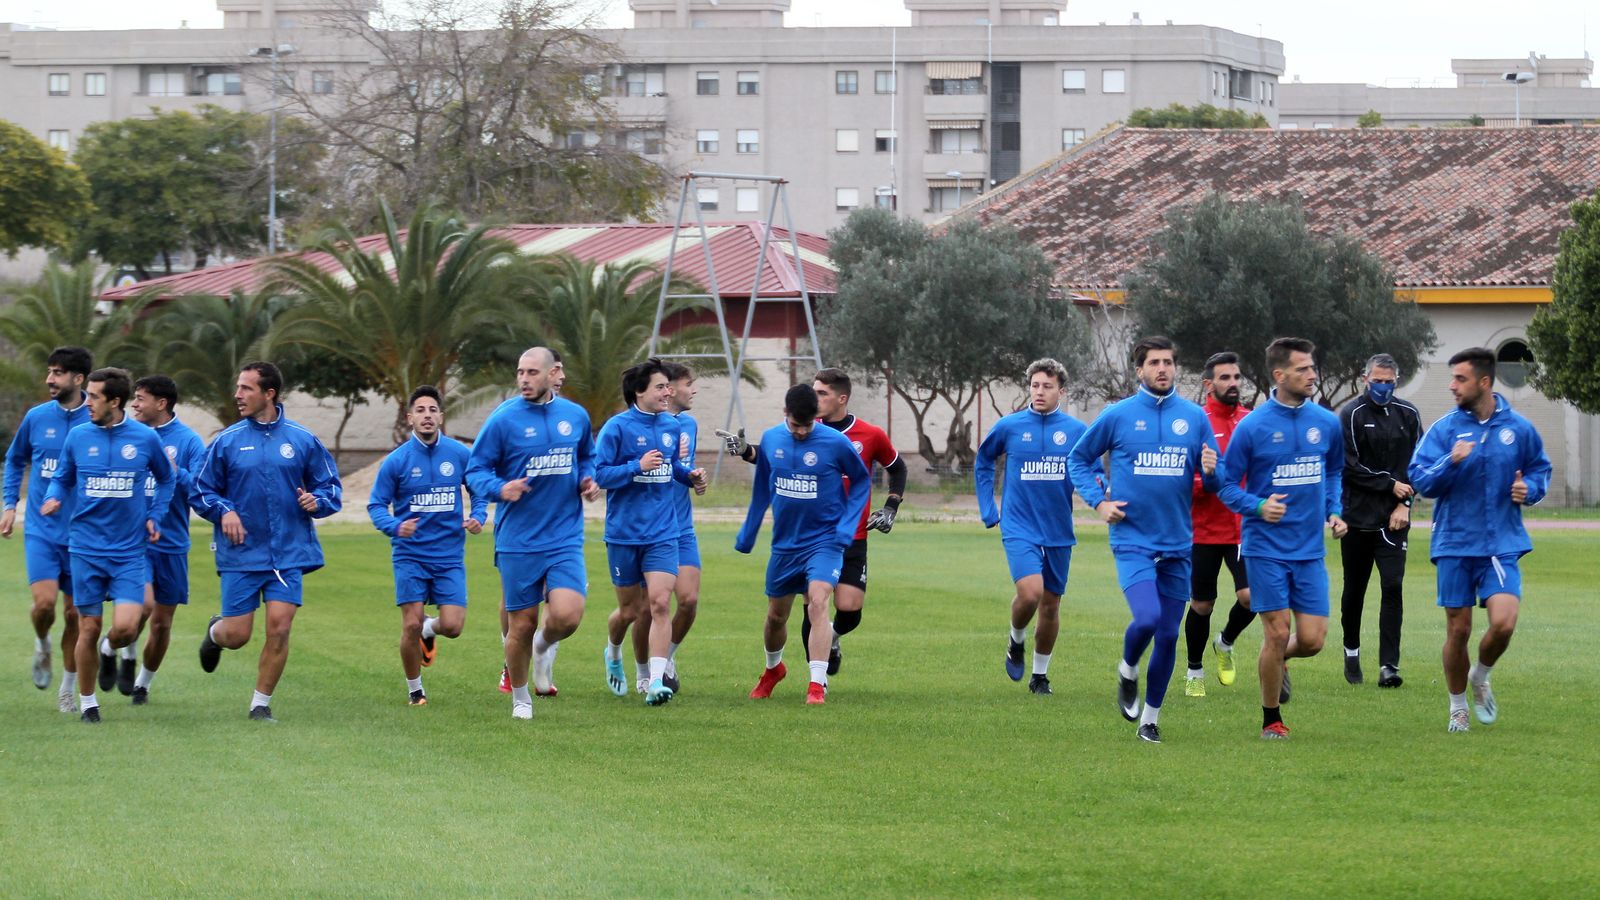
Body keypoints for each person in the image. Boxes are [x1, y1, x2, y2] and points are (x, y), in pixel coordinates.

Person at [1068, 336, 1219, 743]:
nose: (1163, 369)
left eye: (1169, 362)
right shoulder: (1117, 415)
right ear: (1140, 370)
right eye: (1154, 362)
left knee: (1169, 634)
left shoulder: (1194, 417)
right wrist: (1099, 503)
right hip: (1132, 538)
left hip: (1178, 543)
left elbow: (1216, 479)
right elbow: (1078, 459)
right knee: (1148, 618)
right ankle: (1128, 667)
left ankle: (1150, 719)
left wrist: (1213, 469)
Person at [719, 367, 907, 676]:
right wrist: (746, 451)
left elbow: (897, 469)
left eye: (822, 393)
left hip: (854, 534)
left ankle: (831, 637)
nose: (816, 397)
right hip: (814, 536)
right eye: (814, 391)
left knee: (849, 609)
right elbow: (776, 457)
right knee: (816, 602)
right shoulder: (805, 426)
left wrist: (891, 506)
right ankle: (818, 678)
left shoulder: (869, 435)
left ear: (841, 398)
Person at [1408, 347, 1551, 734]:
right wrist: (1449, 461)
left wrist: (1530, 489)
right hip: (1454, 543)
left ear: (1484, 382)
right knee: (1458, 631)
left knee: (1504, 623)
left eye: (1460, 379)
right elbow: (1420, 481)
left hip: (1501, 543)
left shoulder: (1519, 428)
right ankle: (1457, 707)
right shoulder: (1444, 430)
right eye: (1452, 378)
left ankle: (1480, 675)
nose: (1452, 386)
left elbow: (1540, 470)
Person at [194, 362, 343, 722]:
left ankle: (260, 703)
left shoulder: (302, 439)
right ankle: (216, 633)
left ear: (269, 394)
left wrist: (317, 501)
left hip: (288, 552)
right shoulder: (226, 442)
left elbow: (331, 488)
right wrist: (224, 511)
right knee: (237, 635)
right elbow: (200, 490)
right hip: (241, 553)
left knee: (280, 625)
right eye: (238, 388)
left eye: (246, 388)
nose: (237, 395)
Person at [1217, 337, 1347, 740]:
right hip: (1265, 548)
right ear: (1280, 375)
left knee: (1311, 641)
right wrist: (1258, 507)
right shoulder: (1253, 427)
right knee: (1275, 631)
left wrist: (1334, 509)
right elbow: (1224, 483)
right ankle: (1271, 719)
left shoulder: (1326, 422)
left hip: (1309, 550)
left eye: (1313, 367)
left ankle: (1279, 659)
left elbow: (1334, 471)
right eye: (1303, 369)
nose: (1312, 375)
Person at [466, 347, 599, 721]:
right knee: (521, 624)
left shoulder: (575, 416)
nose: (523, 379)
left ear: (552, 372)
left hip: (564, 535)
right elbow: (475, 471)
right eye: (520, 372)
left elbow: (587, 456)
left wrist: (589, 480)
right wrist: (499, 489)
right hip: (518, 540)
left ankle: (543, 648)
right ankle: (521, 698)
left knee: (568, 616)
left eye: (531, 372)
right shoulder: (503, 420)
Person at [38, 367, 174, 723]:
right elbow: (61, 478)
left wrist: (156, 515)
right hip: (84, 549)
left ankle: (110, 649)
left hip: (129, 551)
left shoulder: (145, 439)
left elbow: (166, 479)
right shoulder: (78, 437)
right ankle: (88, 703)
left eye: (95, 397)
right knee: (88, 626)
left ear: (115, 401)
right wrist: (52, 497)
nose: (88, 403)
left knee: (127, 626)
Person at [735, 384, 870, 705]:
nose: (801, 432)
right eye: (796, 425)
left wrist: (846, 527)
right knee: (776, 617)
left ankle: (816, 683)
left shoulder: (835, 442)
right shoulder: (771, 439)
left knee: (819, 602)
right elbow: (762, 489)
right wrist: (749, 532)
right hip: (785, 545)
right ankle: (773, 669)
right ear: (785, 415)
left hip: (825, 542)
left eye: (807, 426)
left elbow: (863, 480)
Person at [367, 386, 487, 706]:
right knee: (410, 622)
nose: (427, 416)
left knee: (453, 625)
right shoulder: (396, 461)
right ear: (410, 418)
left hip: (449, 555)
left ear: (441, 417)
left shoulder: (460, 454)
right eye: (420, 410)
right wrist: (395, 526)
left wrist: (478, 516)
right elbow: (376, 505)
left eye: (433, 410)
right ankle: (415, 689)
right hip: (410, 555)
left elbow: (479, 489)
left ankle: (429, 632)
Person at [595, 359, 706, 706]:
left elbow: (672, 467)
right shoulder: (616, 428)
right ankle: (613, 651)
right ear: (639, 391)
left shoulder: (672, 427)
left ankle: (656, 681)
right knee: (629, 612)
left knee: (659, 603)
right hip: (624, 535)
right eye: (660, 387)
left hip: (663, 532)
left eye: (668, 387)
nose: (667, 392)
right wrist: (635, 467)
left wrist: (689, 477)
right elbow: (600, 475)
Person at [974, 358, 1086, 696]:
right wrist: (987, 507)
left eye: (1047, 386)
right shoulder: (1009, 427)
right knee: (1031, 593)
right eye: (1035, 385)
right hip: (1018, 525)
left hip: (1058, 531)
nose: (1039, 391)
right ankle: (1016, 638)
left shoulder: (1078, 432)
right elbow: (983, 461)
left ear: (1061, 392)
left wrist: (1101, 491)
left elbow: (1093, 468)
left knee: (1051, 605)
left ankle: (1040, 676)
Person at [3, 345, 92, 711]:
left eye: (57, 373)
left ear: (78, 378)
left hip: (84, 535)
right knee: (44, 606)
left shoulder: (98, 419)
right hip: (41, 529)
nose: (49, 379)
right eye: (49, 372)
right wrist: (10, 505)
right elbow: (14, 459)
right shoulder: (37, 417)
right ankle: (42, 644)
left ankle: (68, 690)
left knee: (75, 615)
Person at [1338, 353, 1423, 688]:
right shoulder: (1351, 415)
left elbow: (1419, 465)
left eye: (1389, 382)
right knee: (1355, 590)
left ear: (1396, 381)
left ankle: (1389, 665)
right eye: (1378, 381)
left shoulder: (1409, 414)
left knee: (1392, 585)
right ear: (1365, 378)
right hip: (1357, 517)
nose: (1383, 387)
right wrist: (1390, 484)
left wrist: (1405, 503)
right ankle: (1351, 650)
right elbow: (1350, 468)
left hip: (1394, 520)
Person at [126, 374, 207, 705]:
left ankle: (142, 684)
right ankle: (117, 649)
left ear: (161, 403)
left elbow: (202, 491)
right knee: (140, 610)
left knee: (161, 625)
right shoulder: (127, 437)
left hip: (172, 544)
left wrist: (176, 471)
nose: (134, 404)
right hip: (134, 543)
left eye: (140, 398)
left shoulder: (189, 442)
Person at [1183, 351, 1255, 697]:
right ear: (1208, 384)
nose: (1233, 383)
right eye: (1225, 378)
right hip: (1203, 530)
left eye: (1237, 377)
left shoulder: (1250, 421)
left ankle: (1225, 643)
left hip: (1244, 529)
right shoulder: (1197, 424)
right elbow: (1185, 478)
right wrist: (1207, 480)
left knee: (1252, 597)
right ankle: (1194, 669)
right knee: (1202, 605)